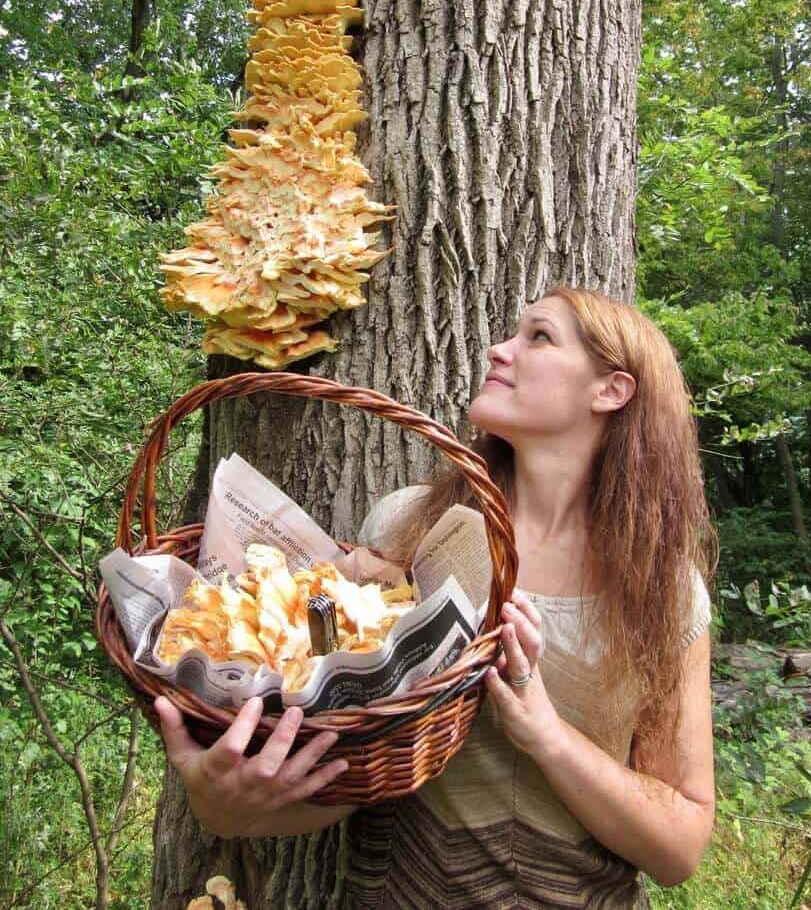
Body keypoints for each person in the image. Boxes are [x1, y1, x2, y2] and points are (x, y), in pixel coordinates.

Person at [156, 287, 717, 908]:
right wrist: (225, 805)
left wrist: (546, 735)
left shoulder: (660, 592)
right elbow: (342, 766)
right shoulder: (406, 530)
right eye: (513, 332)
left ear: (611, 390)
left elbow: (679, 846)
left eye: (539, 337)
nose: (498, 350)